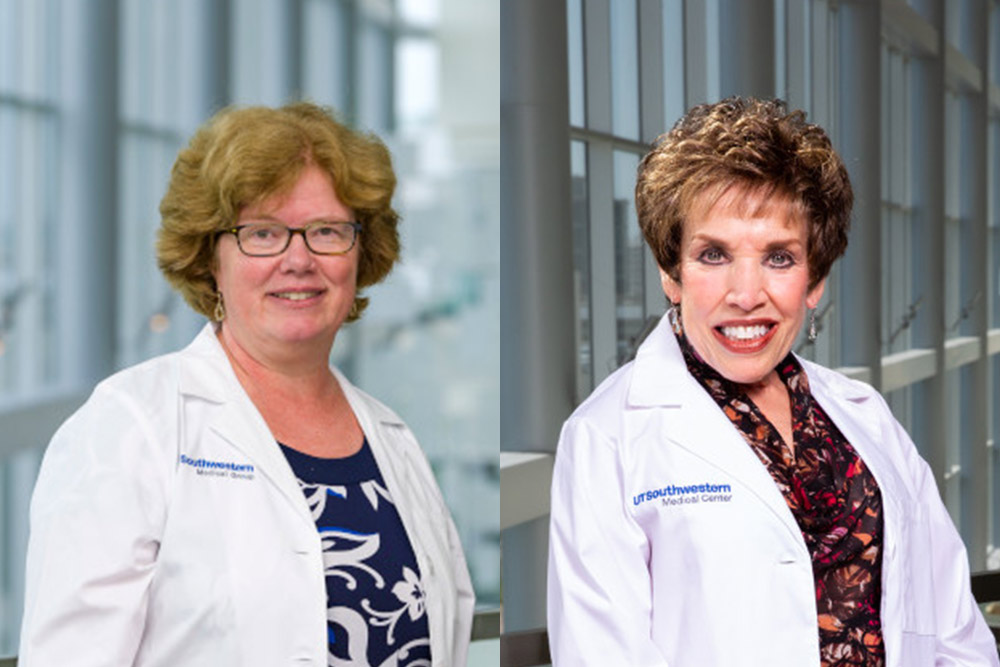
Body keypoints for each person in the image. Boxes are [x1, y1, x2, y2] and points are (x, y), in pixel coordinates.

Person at [547, 97, 999, 666]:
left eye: (779, 258)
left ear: (815, 281)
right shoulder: (604, 437)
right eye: (713, 254)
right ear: (671, 273)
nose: (745, 292)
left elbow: (953, 626)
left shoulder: (863, 414)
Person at [19, 102, 475, 666]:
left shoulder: (392, 438)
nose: (299, 259)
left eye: (327, 231)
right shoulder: (129, 426)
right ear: (211, 257)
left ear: (361, 252)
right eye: (263, 233)